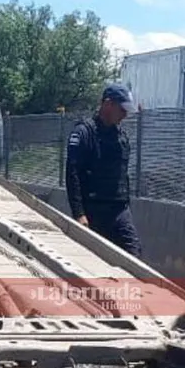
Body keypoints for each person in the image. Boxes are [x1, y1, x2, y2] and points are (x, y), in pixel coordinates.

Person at [64, 83, 142, 258]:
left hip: (118, 209)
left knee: (134, 254)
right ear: (108, 104)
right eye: (122, 109)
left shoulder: (121, 137)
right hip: (93, 209)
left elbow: (123, 175)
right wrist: (79, 214)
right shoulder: (84, 133)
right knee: (95, 260)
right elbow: (72, 173)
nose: (125, 115)